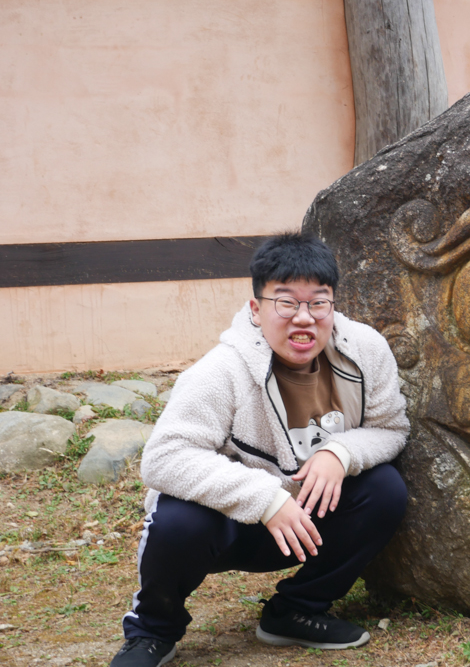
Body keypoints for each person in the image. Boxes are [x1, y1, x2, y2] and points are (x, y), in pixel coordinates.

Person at [109, 232, 409, 667]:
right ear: (256, 308)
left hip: (307, 522)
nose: (303, 318)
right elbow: (165, 458)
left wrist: (339, 453)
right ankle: (152, 631)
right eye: (285, 303)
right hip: (228, 526)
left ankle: (296, 611)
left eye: (318, 303)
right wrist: (265, 500)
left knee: (385, 489)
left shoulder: (365, 350)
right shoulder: (221, 370)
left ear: (333, 304)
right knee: (176, 519)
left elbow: (390, 429)